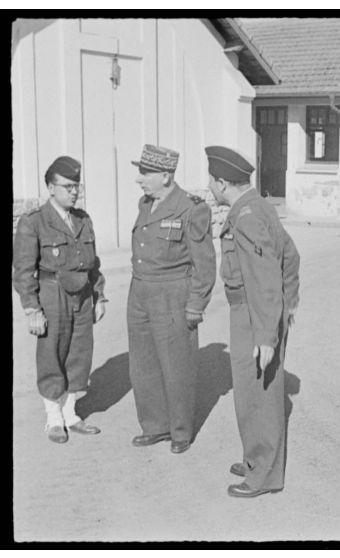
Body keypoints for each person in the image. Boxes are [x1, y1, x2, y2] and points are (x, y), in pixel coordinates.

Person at [205, 145, 300, 498]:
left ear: (221, 183)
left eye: (211, 181)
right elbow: (290, 256)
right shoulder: (258, 207)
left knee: (256, 395)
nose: (210, 187)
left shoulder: (245, 218)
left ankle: (263, 475)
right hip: (258, 312)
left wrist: (266, 335)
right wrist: (286, 307)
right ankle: (255, 460)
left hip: (252, 315)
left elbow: (264, 279)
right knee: (253, 392)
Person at [127, 144, 216, 454]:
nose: (139, 179)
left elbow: (204, 264)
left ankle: (180, 430)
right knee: (143, 364)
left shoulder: (191, 209)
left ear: (165, 176)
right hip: (140, 292)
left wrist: (196, 304)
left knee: (177, 364)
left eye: (145, 173)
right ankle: (155, 426)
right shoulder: (145, 203)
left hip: (172, 293)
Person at [13, 156, 107, 443]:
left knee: (79, 352)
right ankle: (53, 418)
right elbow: (23, 271)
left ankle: (70, 413)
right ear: (51, 188)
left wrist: (99, 295)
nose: (74, 191)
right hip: (52, 294)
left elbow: (93, 263)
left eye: (76, 186)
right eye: (67, 186)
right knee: (52, 353)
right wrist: (32, 309)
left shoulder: (83, 219)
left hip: (82, 295)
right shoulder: (34, 222)